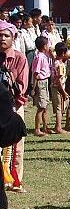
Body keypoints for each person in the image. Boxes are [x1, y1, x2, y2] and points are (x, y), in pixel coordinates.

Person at [0, 21, 29, 193]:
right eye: (0, 35)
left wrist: (13, 106)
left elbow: (23, 85)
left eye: (6, 35)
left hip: (13, 106)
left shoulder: (19, 58)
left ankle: (15, 180)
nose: (2, 38)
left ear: (13, 37)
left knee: (16, 145)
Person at [31, 36, 52, 136]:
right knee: (41, 107)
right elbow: (36, 73)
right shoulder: (39, 57)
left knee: (45, 106)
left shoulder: (44, 56)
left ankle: (45, 127)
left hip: (45, 81)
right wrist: (34, 88)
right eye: (48, 44)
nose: (49, 46)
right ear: (44, 46)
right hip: (40, 83)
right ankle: (37, 129)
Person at [50, 41, 69, 134]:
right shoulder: (60, 65)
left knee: (59, 107)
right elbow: (58, 80)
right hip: (58, 88)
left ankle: (58, 125)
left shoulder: (55, 61)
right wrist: (63, 92)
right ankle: (58, 127)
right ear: (63, 53)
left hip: (56, 87)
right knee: (59, 108)